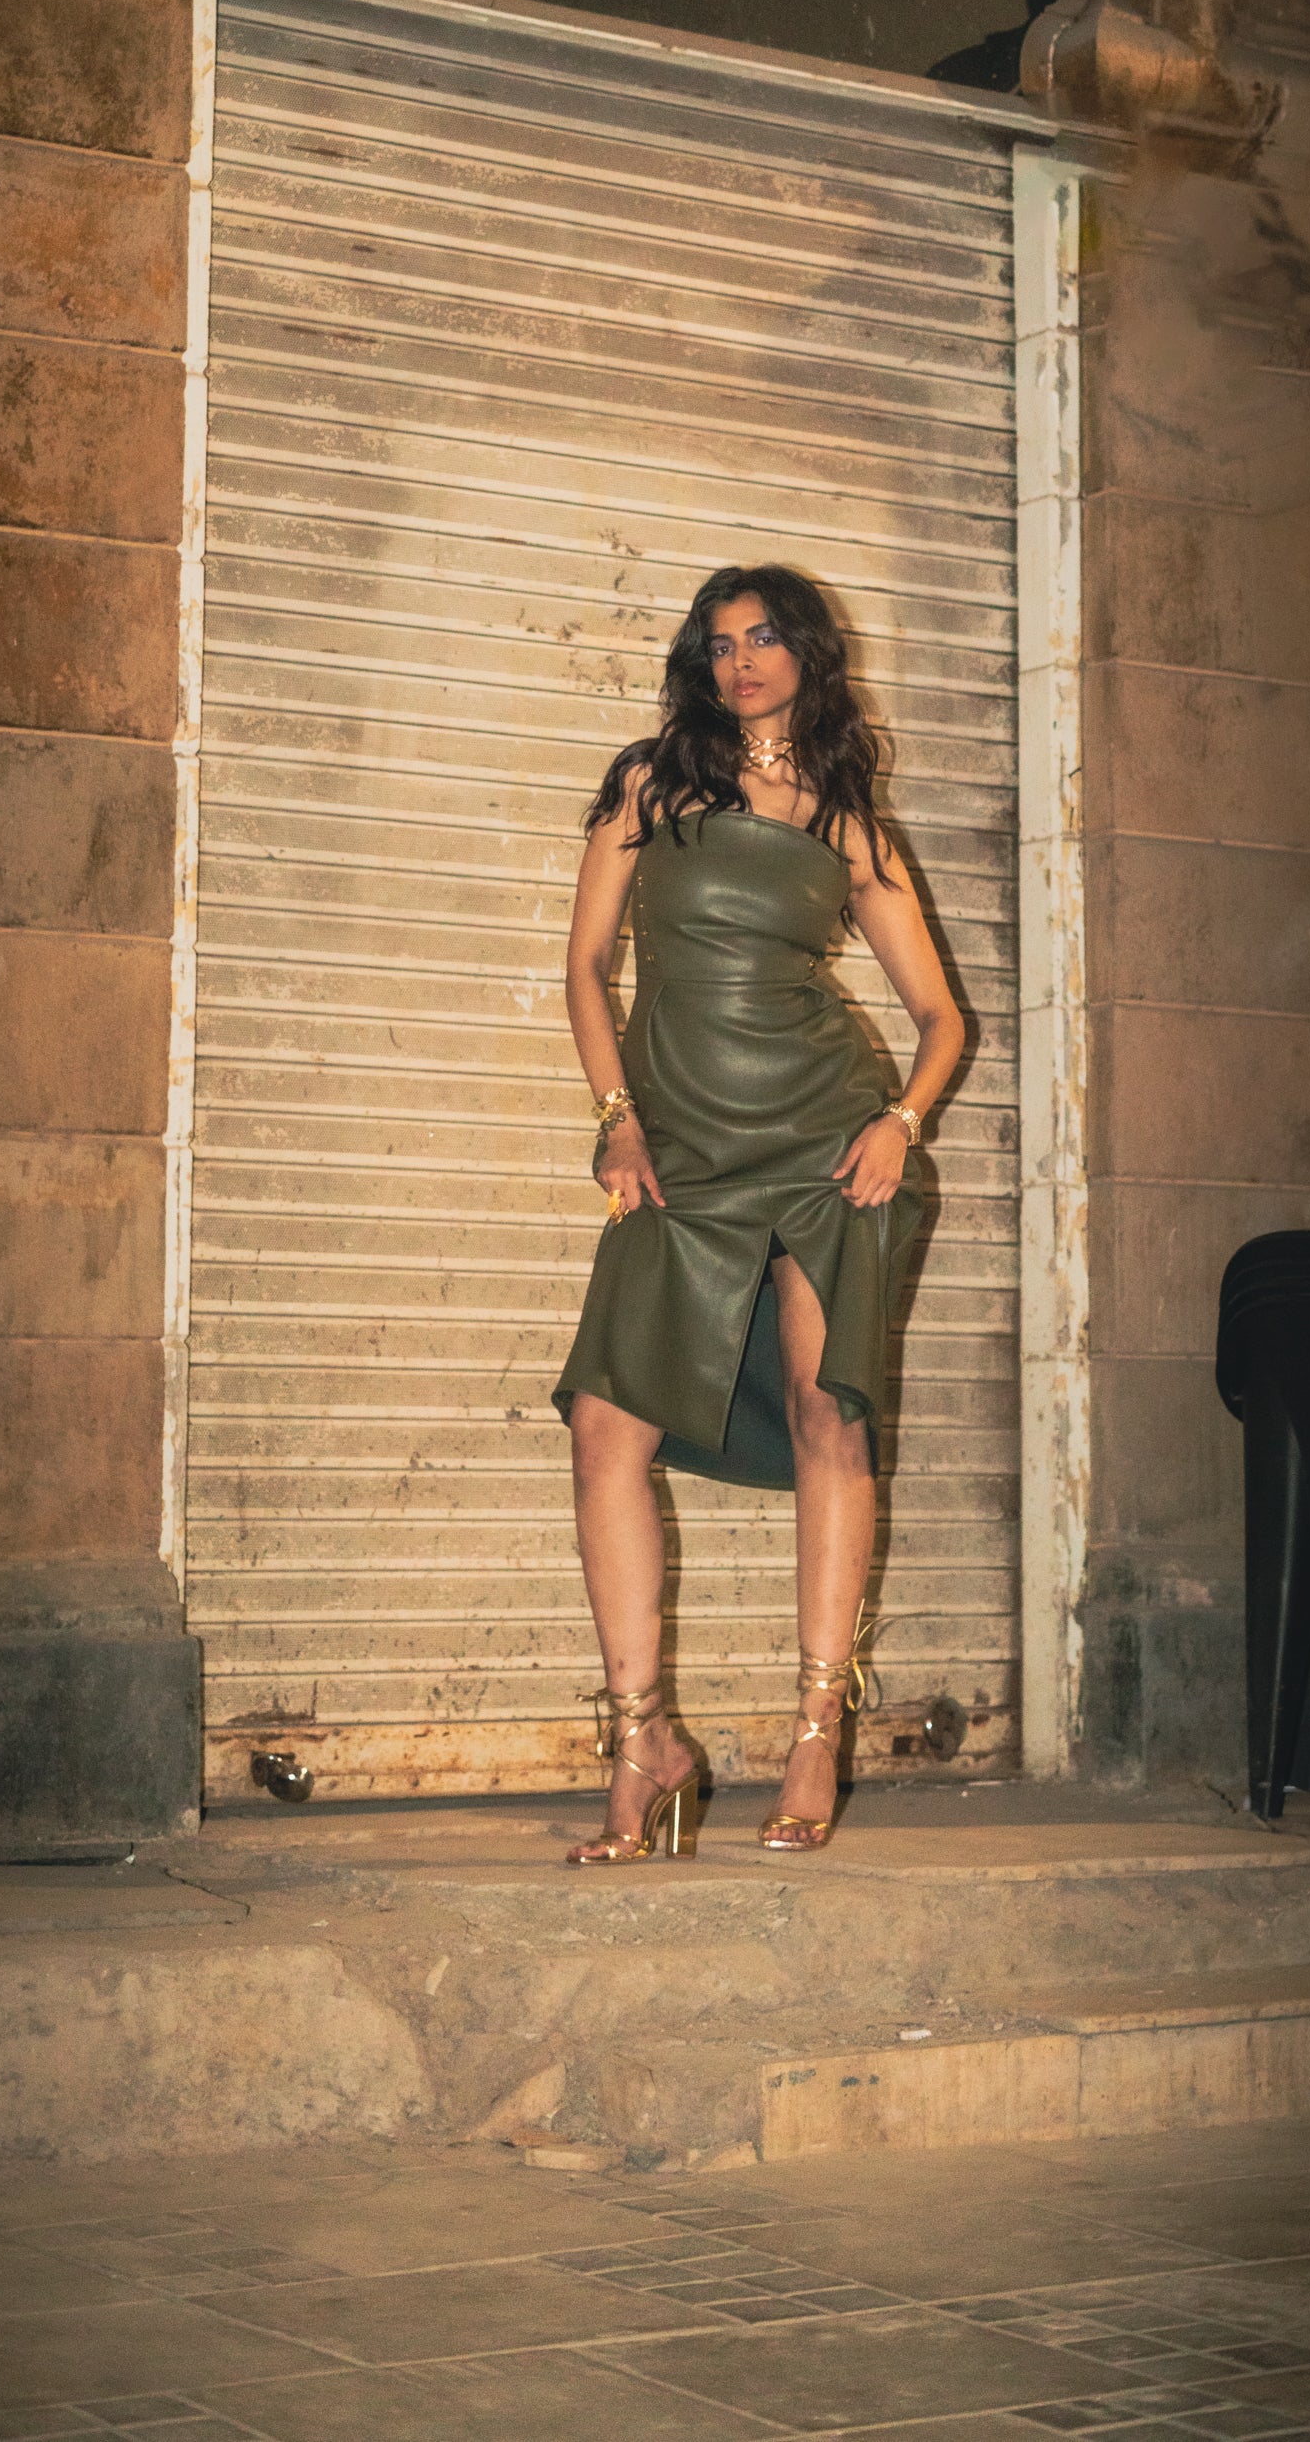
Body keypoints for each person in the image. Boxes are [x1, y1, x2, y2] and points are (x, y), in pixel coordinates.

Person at [552, 563, 965, 1863]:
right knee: (606, 1425)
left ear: (807, 656)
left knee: (825, 1413)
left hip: (826, 1146)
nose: (741, 661)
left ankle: (815, 1734)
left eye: (765, 637)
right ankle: (645, 1744)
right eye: (720, 642)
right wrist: (617, 1116)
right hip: (681, 1150)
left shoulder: (845, 818)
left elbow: (943, 1017)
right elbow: (585, 966)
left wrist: (900, 1124)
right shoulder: (649, 788)